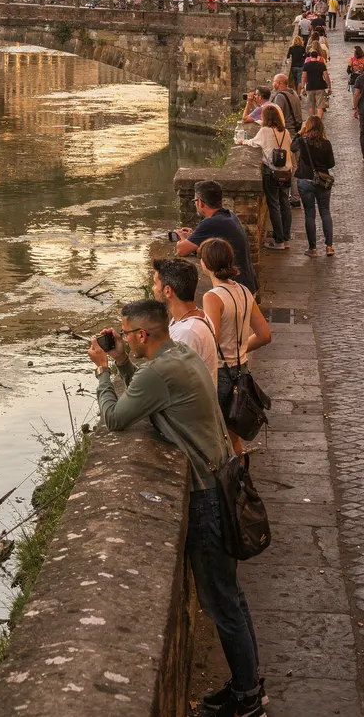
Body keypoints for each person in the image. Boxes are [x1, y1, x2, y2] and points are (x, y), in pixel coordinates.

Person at [89, 301, 266, 717]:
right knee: (232, 598)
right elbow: (150, 394)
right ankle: (247, 687)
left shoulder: (158, 370)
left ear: (142, 336)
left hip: (206, 498)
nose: (123, 337)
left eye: (126, 334)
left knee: (222, 602)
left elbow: (116, 418)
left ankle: (248, 701)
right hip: (223, 480)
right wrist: (121, 361)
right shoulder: (178, 354)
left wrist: (102, 371)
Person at [200, 238, 271, 454]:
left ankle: (231, 483)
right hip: (242, 371)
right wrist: (239, 351)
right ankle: (239, 480)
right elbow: (264, 335)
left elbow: (212, 339)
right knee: (233, 438)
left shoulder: (212, 297)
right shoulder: (243, 291)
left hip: (221, 373)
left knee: (218, 437)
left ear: (206, 264)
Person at [176, 179, 259, 294]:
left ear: (200, 202)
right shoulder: (230, 215)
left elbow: (181, 250)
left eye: (195, 200)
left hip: (237, 289)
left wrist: (183, 238)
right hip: (248, 283)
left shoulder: (211, 223)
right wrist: (193, 236)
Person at [151, 256, 218, 387]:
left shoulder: (186, 332)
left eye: (155, 283)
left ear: (168, 291)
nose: (153, 288)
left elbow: (173, 383)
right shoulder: (198, 316)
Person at [245, 104, 293, 249]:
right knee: (285, 204)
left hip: (272, 172)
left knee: (274, 205)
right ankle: (286, 237)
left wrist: (242, 141)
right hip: (286, 172)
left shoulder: (265, 131)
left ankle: (279, 241)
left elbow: (253, 143)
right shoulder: (285, 131)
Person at [291, 115, 335, 256]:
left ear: (308, 127)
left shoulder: (303, 141)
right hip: (322, 182)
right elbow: (331, 164)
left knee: (309, 215)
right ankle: (329, 247)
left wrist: (300, 131)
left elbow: (292, 147)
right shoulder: (326, 143)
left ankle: (313, 249)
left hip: (305, 181)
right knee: (325, 212)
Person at [271, 72, 303, 206]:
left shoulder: (280, 97)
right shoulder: (294, 93)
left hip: (287, 135)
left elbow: (276, 116)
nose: (273, 84)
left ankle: (295, 198)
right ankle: (295, 196)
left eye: (274, 81)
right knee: (296, 166)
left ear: (279, 83)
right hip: (296, 133)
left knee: (292, 167)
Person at [300, 43, 331, 118]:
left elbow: (304, 77)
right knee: (320, 105)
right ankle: (319, 121)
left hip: (310, 86)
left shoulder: (306, 65)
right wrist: (329, 87)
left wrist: (302, 87)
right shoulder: (321, 65)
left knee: (311, 105)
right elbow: (326, 76)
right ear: (317, 56)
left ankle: (313, 120)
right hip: (320, 86)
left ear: (310, 56)